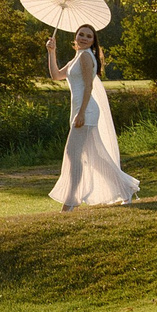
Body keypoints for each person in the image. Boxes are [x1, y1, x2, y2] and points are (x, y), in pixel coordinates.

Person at [48, 23, 138, 209]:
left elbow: (88, 87)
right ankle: (126, 188)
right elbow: (56, 76)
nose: (84, 38)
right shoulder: (77, 58)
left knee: (73, 155)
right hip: (80, 111)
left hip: (86, 111)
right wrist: (52, 51)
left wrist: (81, 114)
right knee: (95, 158)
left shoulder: (86, 57)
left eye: (89, 36)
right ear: (75, 37)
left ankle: (71, 201)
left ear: (93, 41)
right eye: (81, 34)